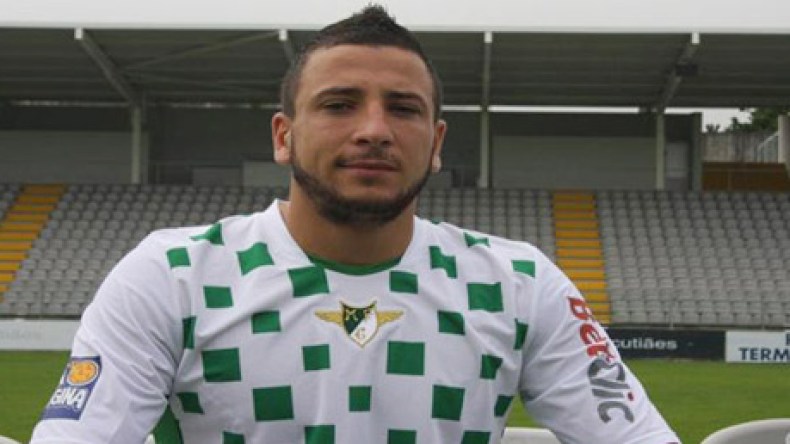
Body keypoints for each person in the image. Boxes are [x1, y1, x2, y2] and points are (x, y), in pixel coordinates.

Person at [31, 5, 680, 443]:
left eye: (403, 109)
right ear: (283, 136)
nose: (374, 130)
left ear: (436, 142)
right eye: (339, 105)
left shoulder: (517, 284)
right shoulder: (171, 277)